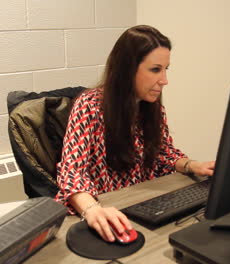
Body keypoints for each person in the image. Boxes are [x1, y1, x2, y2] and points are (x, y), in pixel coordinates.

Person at [56, 25, 215, 242]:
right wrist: (92, 209)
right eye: (155, 69)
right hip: (104, 210)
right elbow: (71, 172)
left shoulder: (151, 106)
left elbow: (163, 154)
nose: (164, 80)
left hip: (141, 206)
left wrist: (192, 165)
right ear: (127, 69)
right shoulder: (89, 105)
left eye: (166, 69)